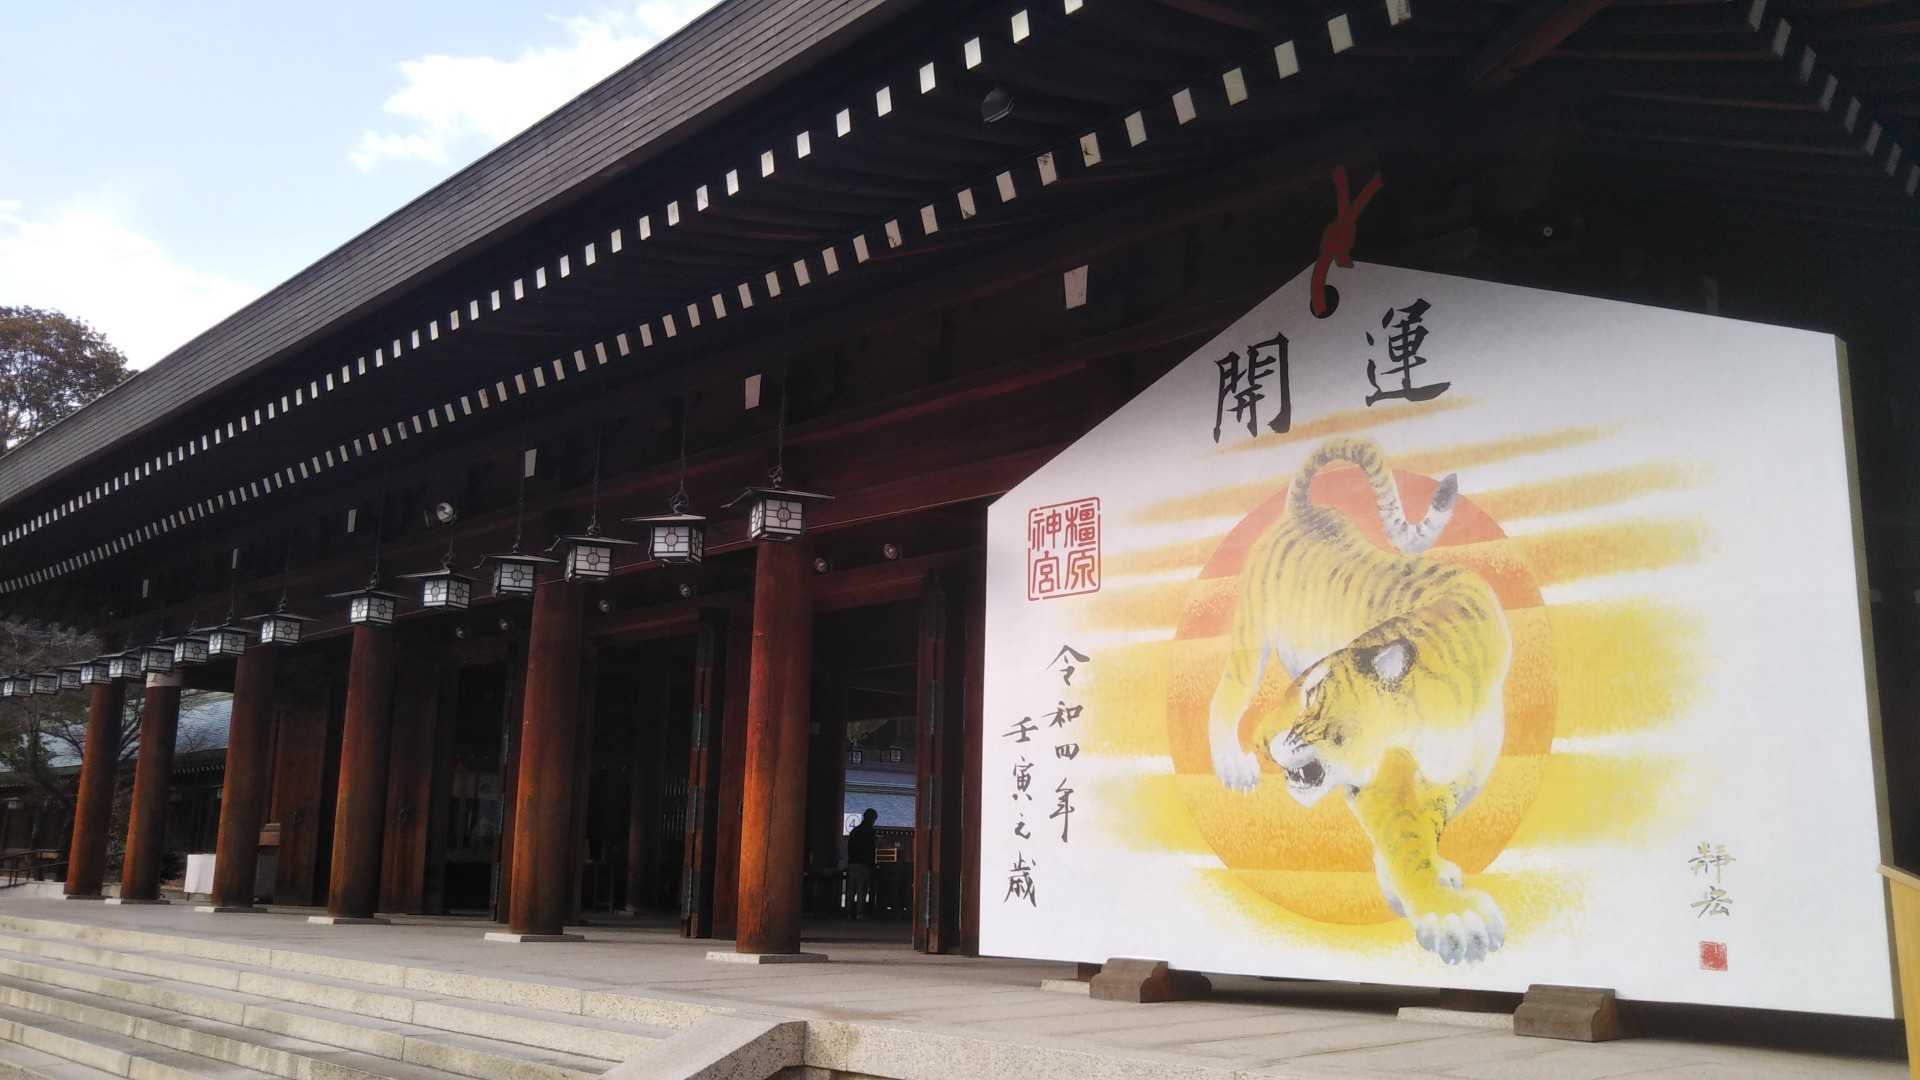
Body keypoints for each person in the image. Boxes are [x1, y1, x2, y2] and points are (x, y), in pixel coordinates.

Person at [846, 808, 878, 920]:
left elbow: (849, 847)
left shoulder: (855, 831)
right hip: (864, 864)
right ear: (872, 818)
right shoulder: (870, 831)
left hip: (853, 863)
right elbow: (871, 849)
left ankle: (849, 913)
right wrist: (873, 864)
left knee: (851, 889)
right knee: (862, 889)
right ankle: (860, 913)